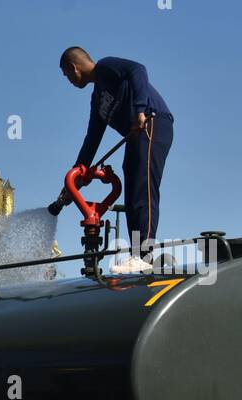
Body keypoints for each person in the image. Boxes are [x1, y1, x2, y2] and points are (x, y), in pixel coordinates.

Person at [56, 46, 173, 274]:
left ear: (73, 67)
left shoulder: (106, 67)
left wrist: (140, 110)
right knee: (132, 193)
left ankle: (144, 255)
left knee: (142, 187)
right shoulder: (98, 99)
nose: (69, 81)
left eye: (67, 75)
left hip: (152, 122)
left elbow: (138, 69)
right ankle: (139, 255)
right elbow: (92, 138)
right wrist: (76, 178)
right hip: (136, 134)